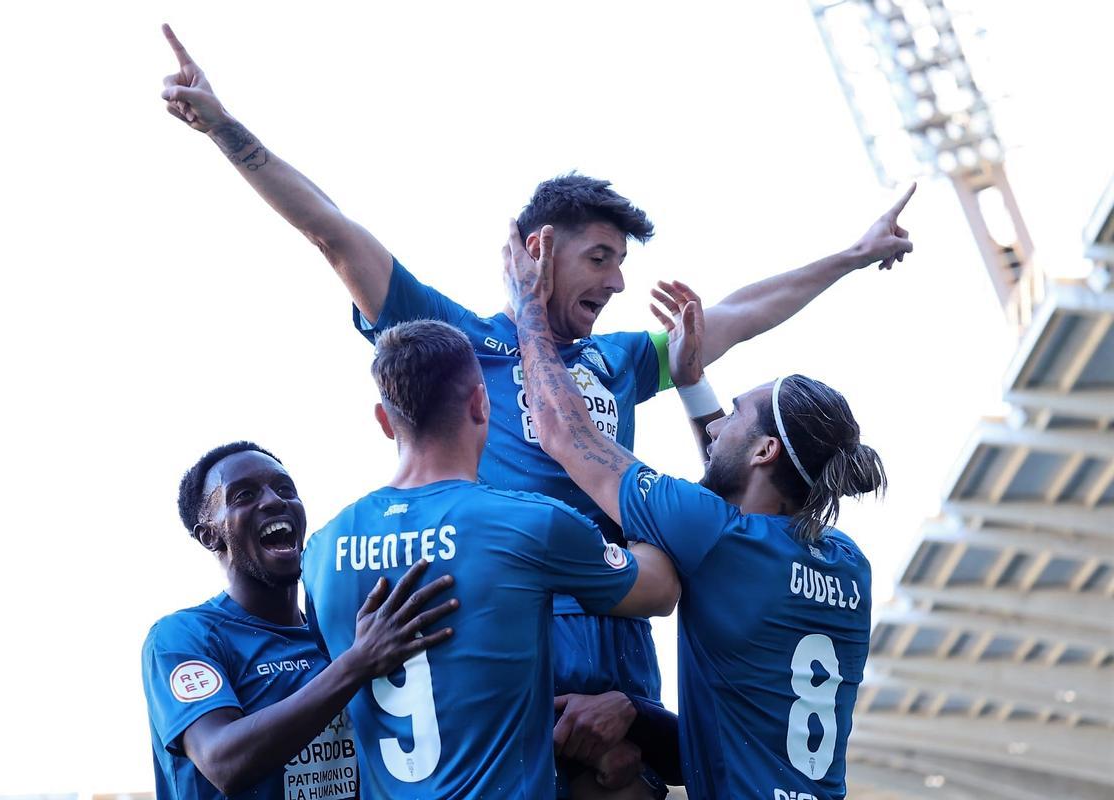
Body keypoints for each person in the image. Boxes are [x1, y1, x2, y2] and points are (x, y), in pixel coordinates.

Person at [157, 24, 913, 794]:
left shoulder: (619, 359)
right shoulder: (459, 344)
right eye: (601, 259)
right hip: (517, 650)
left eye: (622, 264)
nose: (617, 283)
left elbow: (742, 311)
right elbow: (333, 233)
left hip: (620, 642)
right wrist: (223, 126)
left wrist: (850, 257)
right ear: (540, 248)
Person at [503, 224, 884, 800]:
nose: (719, 425)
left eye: (733, 414)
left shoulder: (717, 536)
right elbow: (742, 487)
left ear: (764, 451)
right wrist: (691, 383)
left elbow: (562, 430)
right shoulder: (848, 564)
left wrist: (528, 308)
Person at [301, 319, 681, 799]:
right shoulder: (529, 524)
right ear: (482, 403)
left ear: (383, 419)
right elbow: (661, 589)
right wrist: (621, 490)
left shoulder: (321, 551)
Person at [142, 441, 458, 800]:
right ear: (209, 535)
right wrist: (356, 664)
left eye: (284, 489)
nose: (274, 501)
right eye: (244, 495)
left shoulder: (338, 635)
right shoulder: (184, 637)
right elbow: (223, 761)